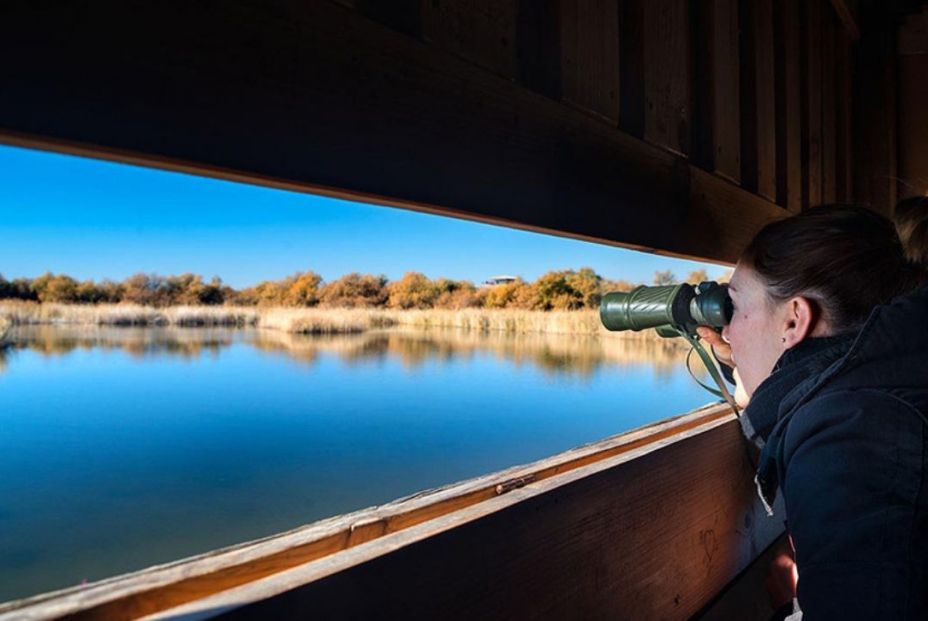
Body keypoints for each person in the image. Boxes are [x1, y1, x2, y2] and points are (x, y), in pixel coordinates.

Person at [698, 205, 928, 619]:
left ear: (794, 320)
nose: (727, 331)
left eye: (733, 307)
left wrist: (793, 608)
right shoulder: (875, 395)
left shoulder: (846, 441)